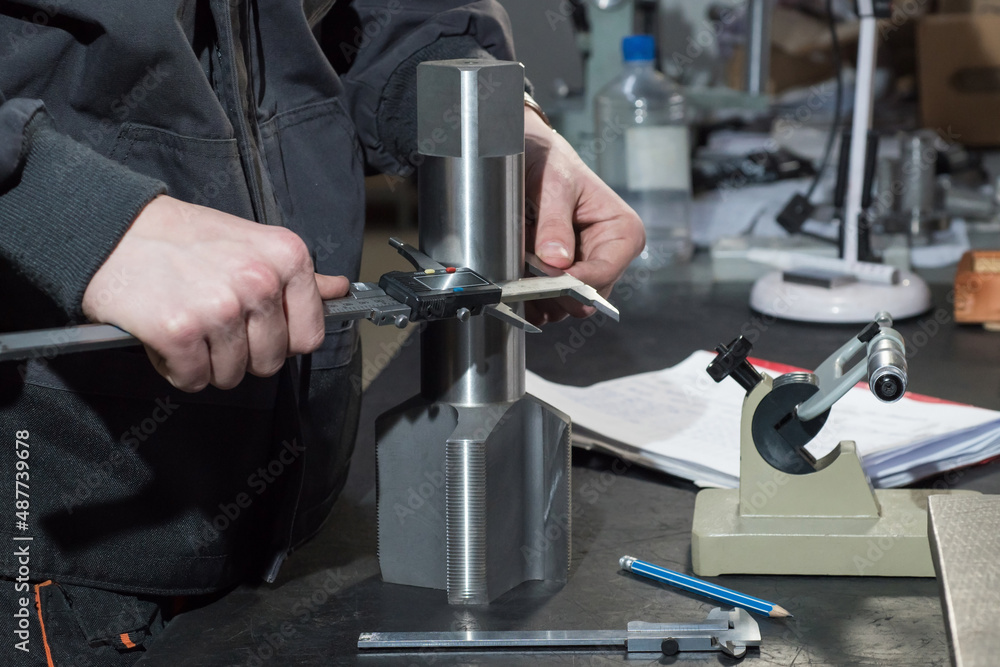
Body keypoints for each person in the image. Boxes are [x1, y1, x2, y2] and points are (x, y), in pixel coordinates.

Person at [0, 1, 644, 663]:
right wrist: (76, 212)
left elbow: (379, 17)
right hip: (48, 538)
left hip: (295, 524)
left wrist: (495, 118)